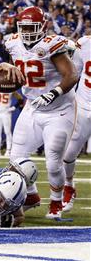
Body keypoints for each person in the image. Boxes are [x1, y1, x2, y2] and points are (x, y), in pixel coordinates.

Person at [0, 6, 79, 219]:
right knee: (16, 157)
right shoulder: (13, 44)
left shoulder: (52, 45)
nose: (28, 31)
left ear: (43, 27)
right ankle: (31, 195)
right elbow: (14, 76)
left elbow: (72, 75)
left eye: (32, 27)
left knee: (53, 158)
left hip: (59, 109)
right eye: (24, 27)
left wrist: (54, 92)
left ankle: (56, 203)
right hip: (33, 105)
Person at [62, 35, 91, 212]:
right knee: (68, 154)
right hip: (83, 105)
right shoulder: (85, 43)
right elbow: (74, 74)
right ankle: (68, 186)